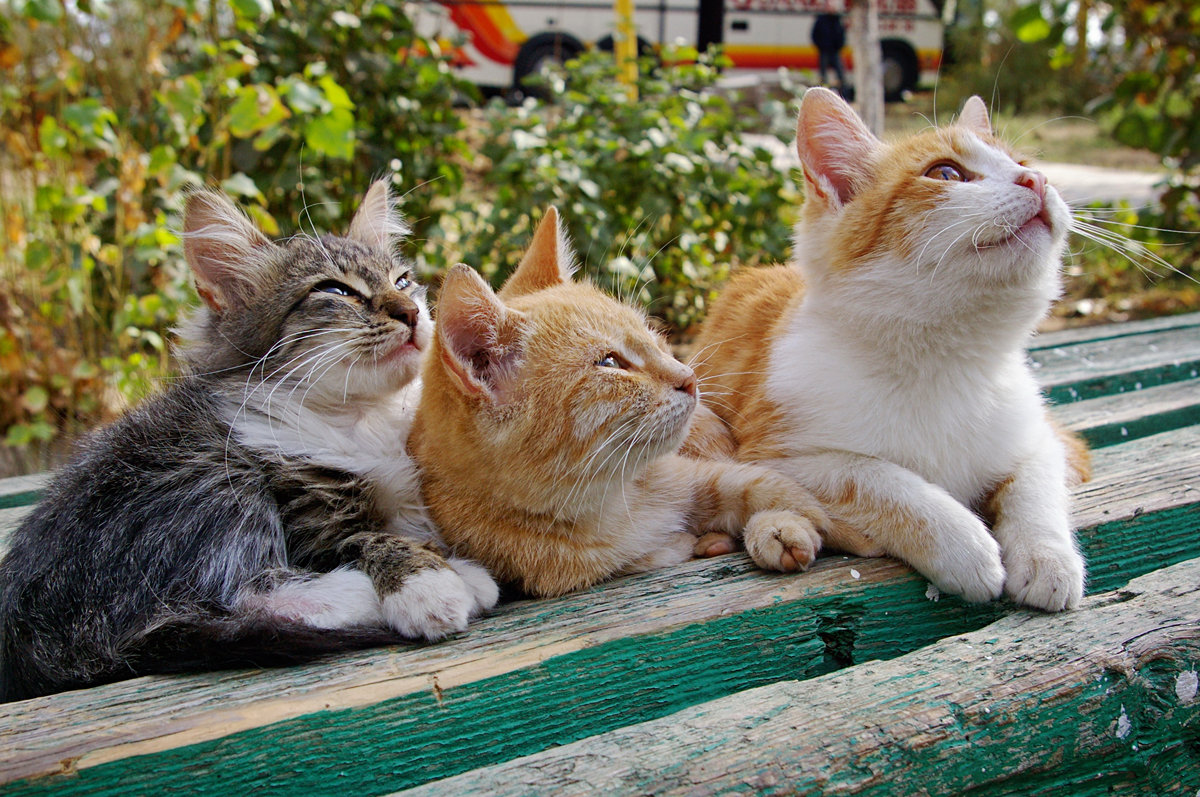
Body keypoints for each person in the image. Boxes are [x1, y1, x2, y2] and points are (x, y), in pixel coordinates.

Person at [811, 13, 847, 95]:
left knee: (841, 75)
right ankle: (822, 93)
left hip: (835, 52)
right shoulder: (821, 20)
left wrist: (839, 47)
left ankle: (844, 94)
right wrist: (821, 47)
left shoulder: (837, 20)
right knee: (823, 75)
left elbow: (842, 35)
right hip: (824, 51)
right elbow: (815, 35)